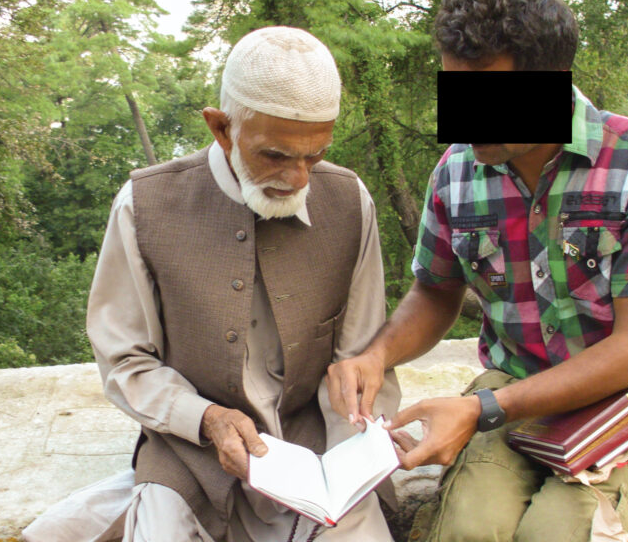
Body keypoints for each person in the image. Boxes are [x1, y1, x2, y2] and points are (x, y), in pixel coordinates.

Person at [326, 0, 628, 540]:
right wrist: (377, 355)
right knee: (464, 531)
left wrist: (479, 410)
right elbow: (435, 292)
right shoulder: (455, 173)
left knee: (556, 533)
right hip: (510, 386)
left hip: (625, 404)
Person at [42, 26, 400, 542]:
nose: (299, 179)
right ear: (221, 128)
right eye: (275, 155)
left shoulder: (348, 201)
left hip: (317, 448)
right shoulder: (145, 205)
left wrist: (348, 471)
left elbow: (360, 357)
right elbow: (126, 361)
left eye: (314, 157)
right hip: (191, 450)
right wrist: (204, 418)